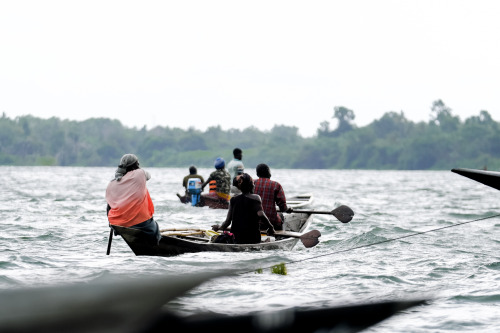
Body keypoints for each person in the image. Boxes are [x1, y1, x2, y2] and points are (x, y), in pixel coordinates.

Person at [105, 154, 161, 244]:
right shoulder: (140, 173)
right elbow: (148, 176)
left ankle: (115, 227)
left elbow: (109, 206)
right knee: (155, 230)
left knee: (111, 203)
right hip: (140, 223)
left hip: (116, 223)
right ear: (136, 164)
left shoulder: (112, 183)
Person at [212, 173, 276, 244]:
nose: (254, 185)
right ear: (251, 185)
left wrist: (219, 227)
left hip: (236, 239)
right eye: (253, 184)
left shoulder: (233, 199)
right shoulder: (256, 198)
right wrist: (271, 228)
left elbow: (227, 222)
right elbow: (261, 215)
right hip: (253, 239)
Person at [253, 163, 293, 231]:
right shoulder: (276, 185)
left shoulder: (251, 183)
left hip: (252, 221)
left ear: (257, 174)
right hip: (270, 222)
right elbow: (283, 207)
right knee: (280, 215)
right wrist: (288, 209)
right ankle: (279, 236)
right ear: (268, 172)